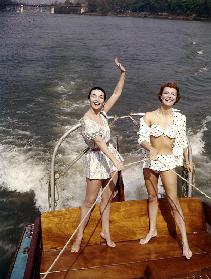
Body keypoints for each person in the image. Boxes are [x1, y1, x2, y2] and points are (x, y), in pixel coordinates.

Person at [71, 58, 126, 252]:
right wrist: (116, 161)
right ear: (88, 99)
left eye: (100, 96)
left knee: (107, 199)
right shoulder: (86, 120)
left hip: (111, 159)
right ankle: (78, 238)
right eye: (93, 96)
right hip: (96, 160)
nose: (97, 99)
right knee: (89, 201)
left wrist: (122, 74)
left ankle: (106, 233)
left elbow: (117, 92)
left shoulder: (103, 113)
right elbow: (100, 143)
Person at [137, 82, 193, 260]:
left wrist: (187, 161)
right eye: (166, 93)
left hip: (168, 162)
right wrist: (149, 148)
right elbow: (142, 139)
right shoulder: (149, 116)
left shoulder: (180, 118)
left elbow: (183, 141)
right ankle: (152, 230)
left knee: (173, 201)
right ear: (160, 95)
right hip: (151, 161)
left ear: (177, 98)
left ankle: (184, 242)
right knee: (153, 198)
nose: (169, 96)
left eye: (173, 94)